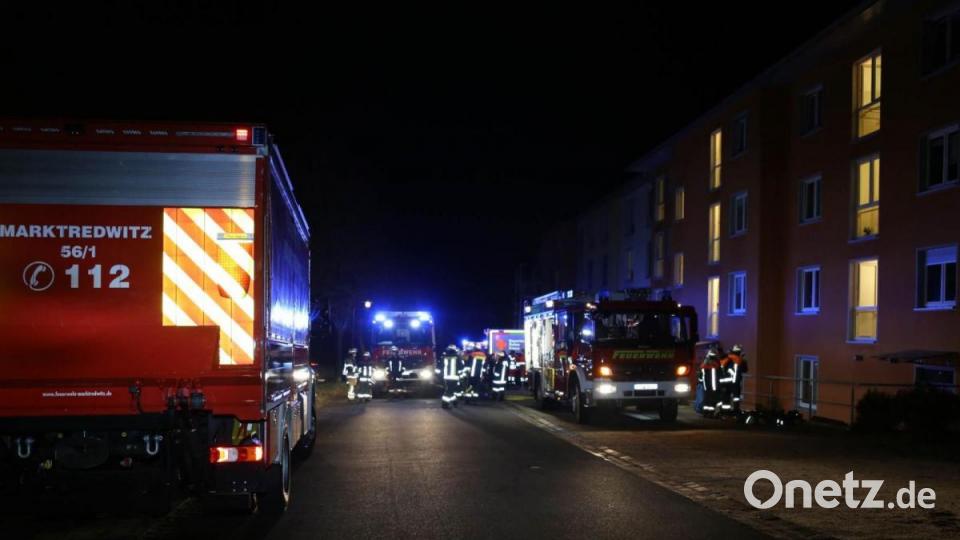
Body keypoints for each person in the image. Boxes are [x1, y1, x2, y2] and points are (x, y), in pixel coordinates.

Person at [721, 344, 746, 411]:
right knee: (736, 397)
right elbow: (745, 369)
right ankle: (736, 410)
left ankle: (725, 411)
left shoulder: (728, 358)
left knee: (726, 396)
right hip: (735, 382)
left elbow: (723, 368)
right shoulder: (740, 360)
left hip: (725, 381)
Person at [699, 349, 722, 416]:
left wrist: (701, 382)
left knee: (706, 398)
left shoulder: (705, 363)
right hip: (714, 386)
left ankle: (705, 412)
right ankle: (710, 413)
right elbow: (720, 374)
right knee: (712, 399)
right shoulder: (717, 363)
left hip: (706, 385)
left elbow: (701, 375)